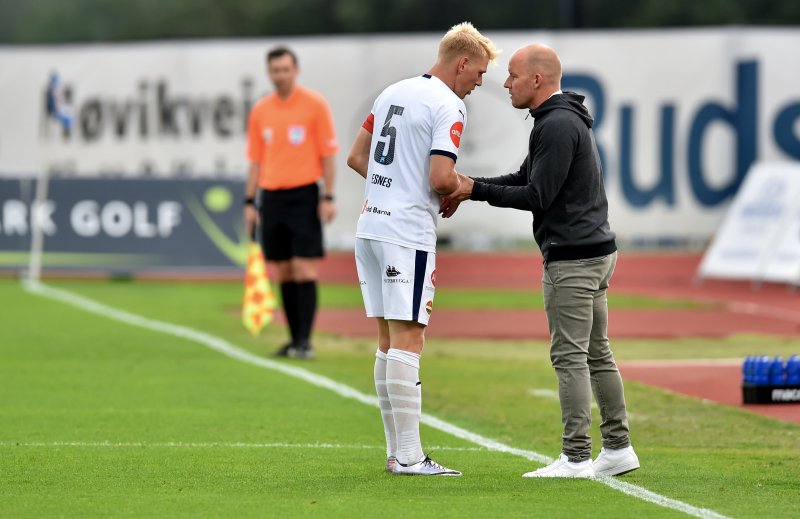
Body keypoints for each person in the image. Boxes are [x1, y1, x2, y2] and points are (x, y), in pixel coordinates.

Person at [441, 44, 639, 478]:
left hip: (572, 259)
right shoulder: (562, 119)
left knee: (570, 356)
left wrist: (472, 189)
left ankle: (575, 455)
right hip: (595, 252)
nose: (506, 84)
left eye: (512, 75)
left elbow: (536, 195)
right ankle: (618, 448)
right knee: (597, 353)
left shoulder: (555, 124)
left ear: (537, 79)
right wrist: (467, 185)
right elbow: (522, 177)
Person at [346, 22, 499, 476]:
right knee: (410, 340)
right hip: (406, 233)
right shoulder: (448, 105)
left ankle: (397, 453)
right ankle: (411, 456)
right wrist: (461, 189)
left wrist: (390, 188)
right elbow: (439, 178)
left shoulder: (392, 91)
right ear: (462, 62)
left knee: (387, 341)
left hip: (371, 226)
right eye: (480, 73)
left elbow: (358, 157)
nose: (480, 83)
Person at [244, 47, 339, 359]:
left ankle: (305, 341)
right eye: (275, 70)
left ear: (295, 70)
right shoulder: (261, 110)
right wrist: (249, 201)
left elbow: (328, 155)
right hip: (271, 197)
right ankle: (293, 339)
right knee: (283, 270)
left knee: (303, 267)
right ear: (269, 73)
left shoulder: (314, 105)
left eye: (286, 69)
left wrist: (328, 196)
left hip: (303, 195)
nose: (281, 75)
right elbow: (255, 161)